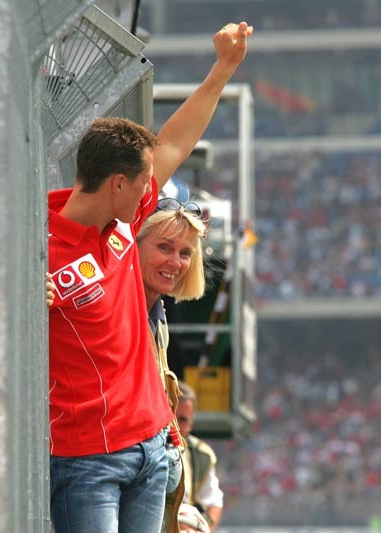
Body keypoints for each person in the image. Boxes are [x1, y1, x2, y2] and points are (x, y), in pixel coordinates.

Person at [46, 21, 252, 533]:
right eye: (143, 184)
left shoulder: (122, 224)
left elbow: (178, 141)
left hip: (151, 450)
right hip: (86, 461)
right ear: (118, 183)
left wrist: (222, 70)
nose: (150, 194)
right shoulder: (36, 252)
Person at [137, 199, 208, 532]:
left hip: (151, 476)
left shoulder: (159, 317)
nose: (176, 262)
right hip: (112, 463)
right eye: (164, 247)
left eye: (185, 252)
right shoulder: (122, 302)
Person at [176, 382, 224, 532]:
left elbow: (214, 503)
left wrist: (202, 528)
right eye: (171, 416)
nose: (175, 425)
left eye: (182, 420)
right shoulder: (141, 449)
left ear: (191, 424)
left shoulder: (202, 456)